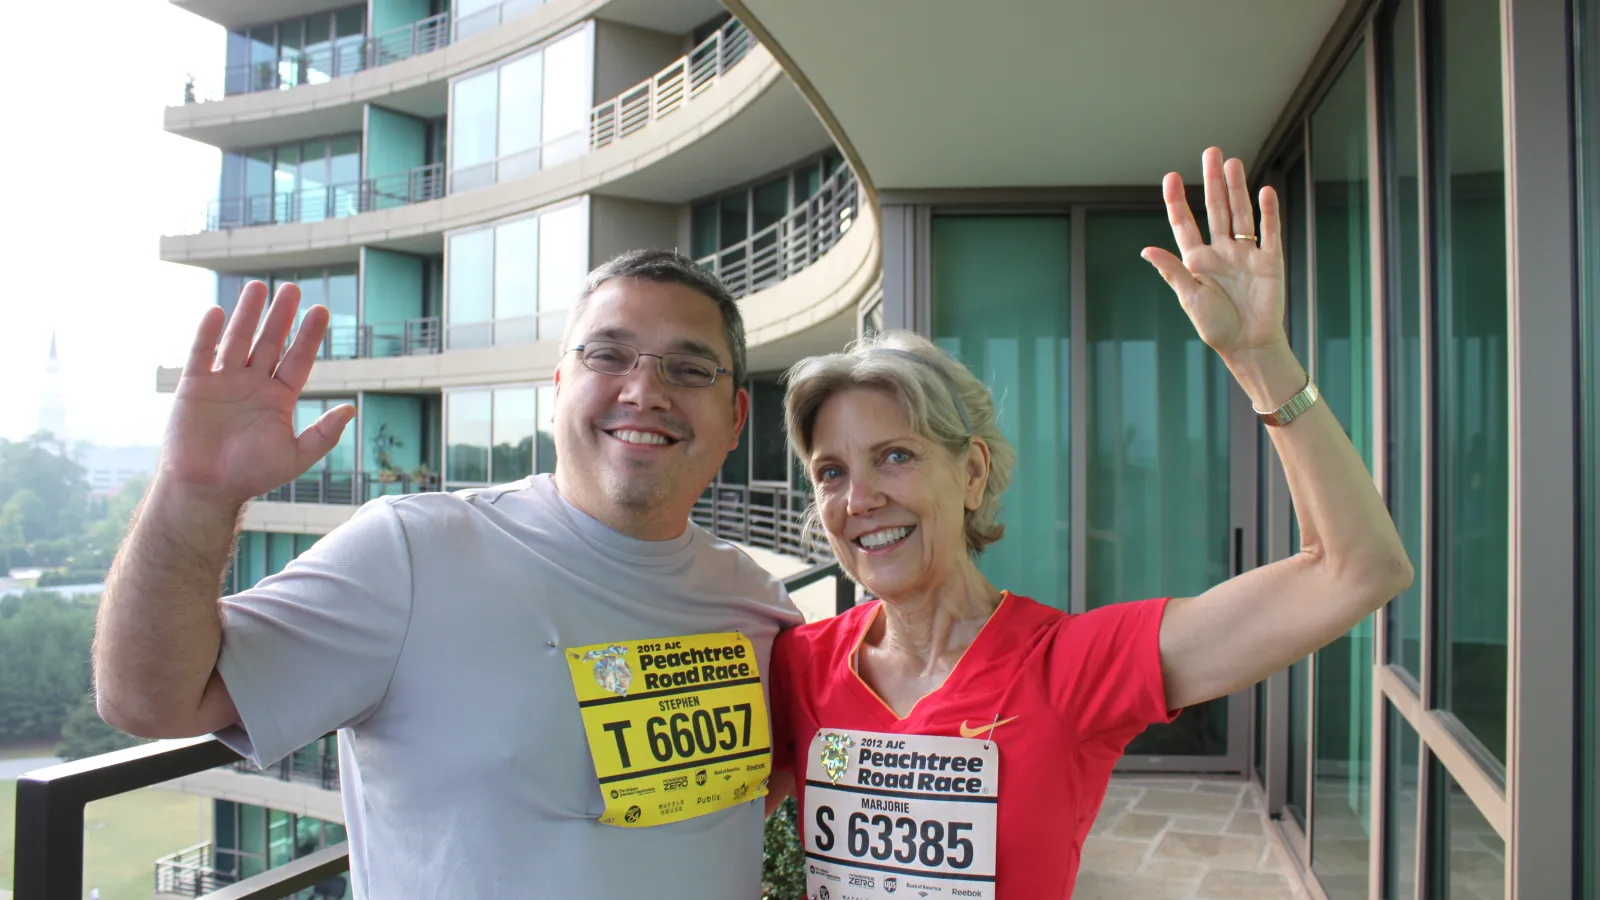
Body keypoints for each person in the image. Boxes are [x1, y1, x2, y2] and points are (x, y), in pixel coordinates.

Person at [766, 147, 1413, 899]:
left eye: (896, 457)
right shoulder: (797, 666)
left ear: (972, 473)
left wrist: (1261, 357)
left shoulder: (1070, 666)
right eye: (832, 472)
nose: (860, 499)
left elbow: (1359, 570)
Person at [92, 250, 803, 898]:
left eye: (689, 368)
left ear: (735, 415)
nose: (645, 390)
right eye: (608, 355)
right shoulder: (411, 554)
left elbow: (749, 795)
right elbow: (147, 701)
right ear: (558, 388)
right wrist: (195, 491)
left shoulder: (758, 606)